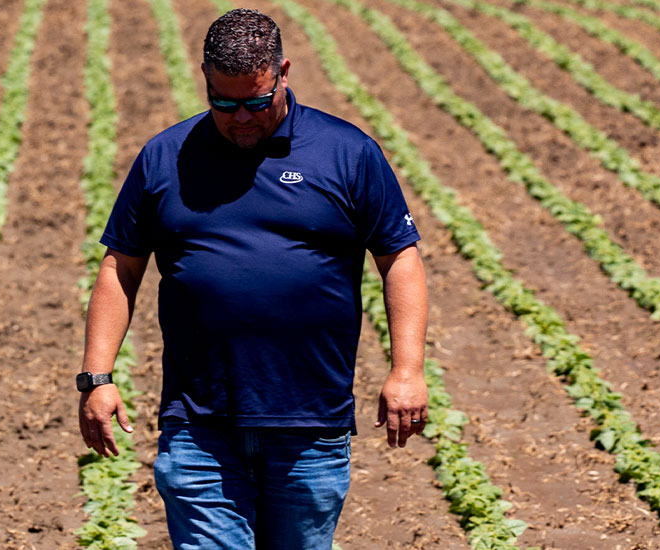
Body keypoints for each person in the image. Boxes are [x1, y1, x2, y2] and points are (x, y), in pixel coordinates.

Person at [75, 8, 429, 549]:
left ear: (283, 72)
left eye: (257, 102)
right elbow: (121, 267)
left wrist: (407, 370)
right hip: (199, 422)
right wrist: (96, 377)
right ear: (204, 80)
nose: (241, 117)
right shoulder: (166, 157)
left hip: (309, 421)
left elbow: (399, 258)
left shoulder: (346, 152)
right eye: (223, 102)